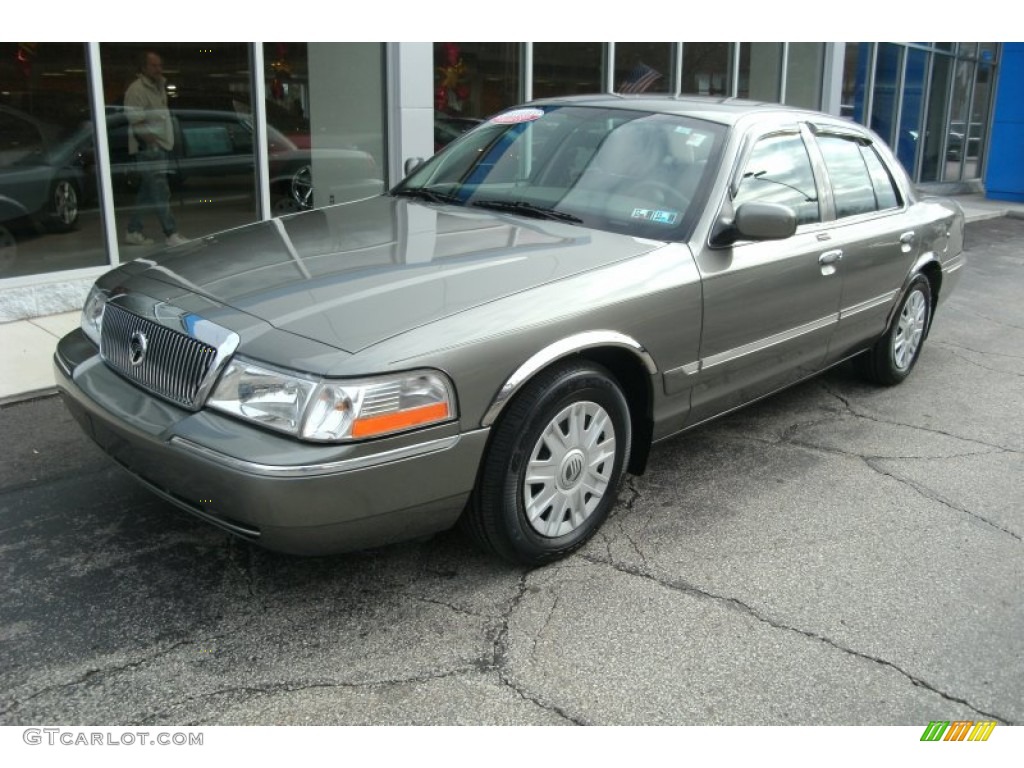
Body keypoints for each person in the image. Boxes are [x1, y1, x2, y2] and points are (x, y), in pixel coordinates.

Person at [123, 50, 187, 247]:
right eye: (154, 65)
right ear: (144, 67)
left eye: (160, 65)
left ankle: (134, 230)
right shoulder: (137, 90)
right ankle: (171, 232)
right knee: (160, 191)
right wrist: (152, 143)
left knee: (148, 193)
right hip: (150, 148)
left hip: (160, 146)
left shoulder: (159, 86)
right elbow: (137, 122)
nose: (159, 69)